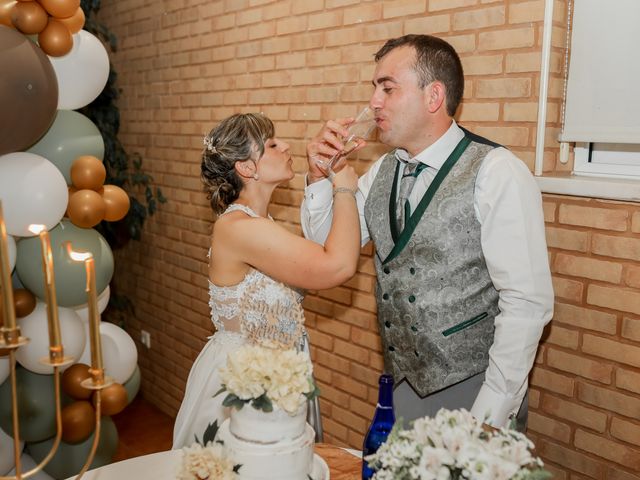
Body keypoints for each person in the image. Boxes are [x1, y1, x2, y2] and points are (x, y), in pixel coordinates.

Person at [301, 34, 554, 430]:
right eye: (374, 89)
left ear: (433, 96)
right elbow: (327, 251)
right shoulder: (382, 170)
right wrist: (320, 179)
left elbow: (526, 301)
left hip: (474, 387)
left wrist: (491, 411)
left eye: (387, 88)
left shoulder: (496, 170)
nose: (374, 102)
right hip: (403, 385)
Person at [172, 113, 360, 448]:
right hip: (245, 387)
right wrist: (344, 183)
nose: (286, 145)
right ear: (246, 168)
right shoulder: (240, 229)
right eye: (272, 144)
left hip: (276, 378)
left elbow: (311, 269)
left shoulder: (261, 223)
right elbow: (337, 266)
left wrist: (317, 177)